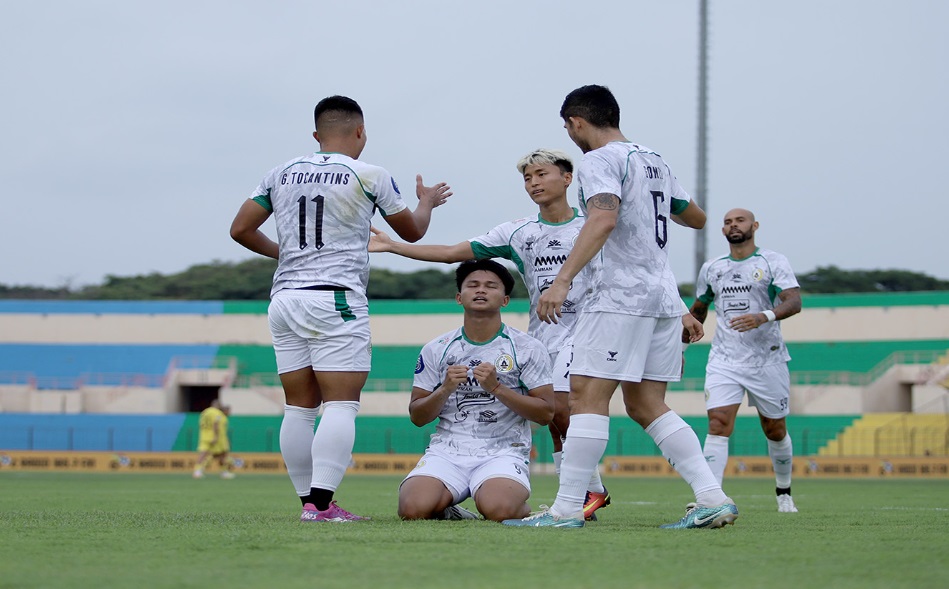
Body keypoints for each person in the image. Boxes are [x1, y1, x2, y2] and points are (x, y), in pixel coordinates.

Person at [504, 84, 736, 529]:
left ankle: (567, 509)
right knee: (648, 404)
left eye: (568, 128)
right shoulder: (654, 159)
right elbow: (696, 217)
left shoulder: (598, 161)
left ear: (576, 123)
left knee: (586, 398)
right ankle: (712, 496)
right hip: (663, 299)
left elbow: (603, 217)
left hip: (618, 297)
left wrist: (562, 280)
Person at [229, 95, 452, 523]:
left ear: (316, 136)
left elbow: (240, 229)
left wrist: (287, 256)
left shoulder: (280, 172)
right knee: (341, 404)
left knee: (298, 407)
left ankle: (309, 504)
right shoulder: (369, 174)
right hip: (335, 298)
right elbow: (412, 231)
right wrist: (425, 201)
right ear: (361, 131)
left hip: (285, 298)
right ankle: (320, 504)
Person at [370, 148, 610, 520]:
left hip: (594, 329)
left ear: (567, 178)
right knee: (560, 420)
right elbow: (453, 253)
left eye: (541, 174)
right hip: (547, 333)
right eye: (527, 178)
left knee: (567, 410)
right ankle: (586, 493)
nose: (534, 183)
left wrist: (676, 310)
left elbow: (638, 262)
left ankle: (583, 493)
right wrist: (394, 246)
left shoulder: (593, 225)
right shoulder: (519, 232)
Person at [398, 259, 555, 522]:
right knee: (413, 509)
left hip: (503, 451)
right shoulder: (437, 348)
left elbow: (546, 413)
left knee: (499, 509)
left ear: (505, 300)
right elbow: (417, 416)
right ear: (460, 297)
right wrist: (445, 389)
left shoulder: (527, 347)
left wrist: (496, 387)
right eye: (473, 285)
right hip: (447, 452)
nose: (481, 290)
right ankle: (454, 511)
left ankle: (529, 510)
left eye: (491, 286)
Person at [688, 208, 802, 512]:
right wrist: (681, 345)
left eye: (739, 220)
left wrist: (762, 317)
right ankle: (710, 499)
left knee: (774, 429)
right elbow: (699, 308)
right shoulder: (712, 268)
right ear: (723, 231)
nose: (733, 225)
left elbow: (794, 301)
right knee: (718, 423)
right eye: (727, 222)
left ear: (754, 226)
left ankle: (784, 492)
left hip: (768, 359)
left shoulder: (772, 262)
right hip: (724, 359)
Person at [193, 400, 236, 479]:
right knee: (222, 455)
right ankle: (224, 472)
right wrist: (216, 437)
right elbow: (216, 424)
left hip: (204, 436)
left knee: (205, 454)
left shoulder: (204, 412)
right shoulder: (217, 413)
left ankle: (197, 471)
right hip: (216, 438)